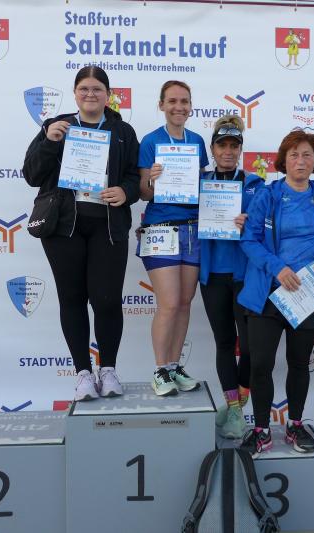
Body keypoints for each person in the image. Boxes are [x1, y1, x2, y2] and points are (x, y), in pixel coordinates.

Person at [23, 66, 140, 401]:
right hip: (64, 226)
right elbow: (31, 174)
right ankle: (83, 374)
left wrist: (126, 191)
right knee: (72, 299)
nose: (91, 94)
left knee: (107, 300)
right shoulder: (57, 126)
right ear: (75, 93)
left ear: (108, 95)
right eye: (84, 89)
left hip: (108, 225)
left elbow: (135, 175)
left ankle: (109, 370)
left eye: (97, 89)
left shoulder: (122, 131)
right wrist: (50, 141)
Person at [238, 130, 314, 457]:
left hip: (307, 296)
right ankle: (261, 430)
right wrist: (278, 268)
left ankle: (295, 425)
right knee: (260, 364)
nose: (301, 161)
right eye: (294, 155)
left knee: (298, 363)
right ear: (284, 160)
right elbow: (249, 240)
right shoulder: (267, 195)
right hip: (267, 293)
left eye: (307, 155)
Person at [138, 80, 209, 397]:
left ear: (190, 106)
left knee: (183, 303)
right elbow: (143, 193)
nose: (179, 107)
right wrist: (151, 180)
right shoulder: (151, 141)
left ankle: (174, 366)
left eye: (184, 101)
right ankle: (159, 369)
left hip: (192, 229)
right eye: (172, 101)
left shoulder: (197, 141)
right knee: (168, 303)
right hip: (161, 228)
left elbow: (202, 187)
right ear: (162, 105)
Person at [199, 115, 264, 439]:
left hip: (245, 275)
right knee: (224, 342)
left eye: (233, 146)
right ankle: (234, 408)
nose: (227, 151)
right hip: (212, 274)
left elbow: (268, 226)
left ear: (240, 150)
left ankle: (239, 401)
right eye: (221, 145)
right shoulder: (200, 182)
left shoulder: (256, 185)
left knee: (250, 346)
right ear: (213, 149)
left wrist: (250, 221)